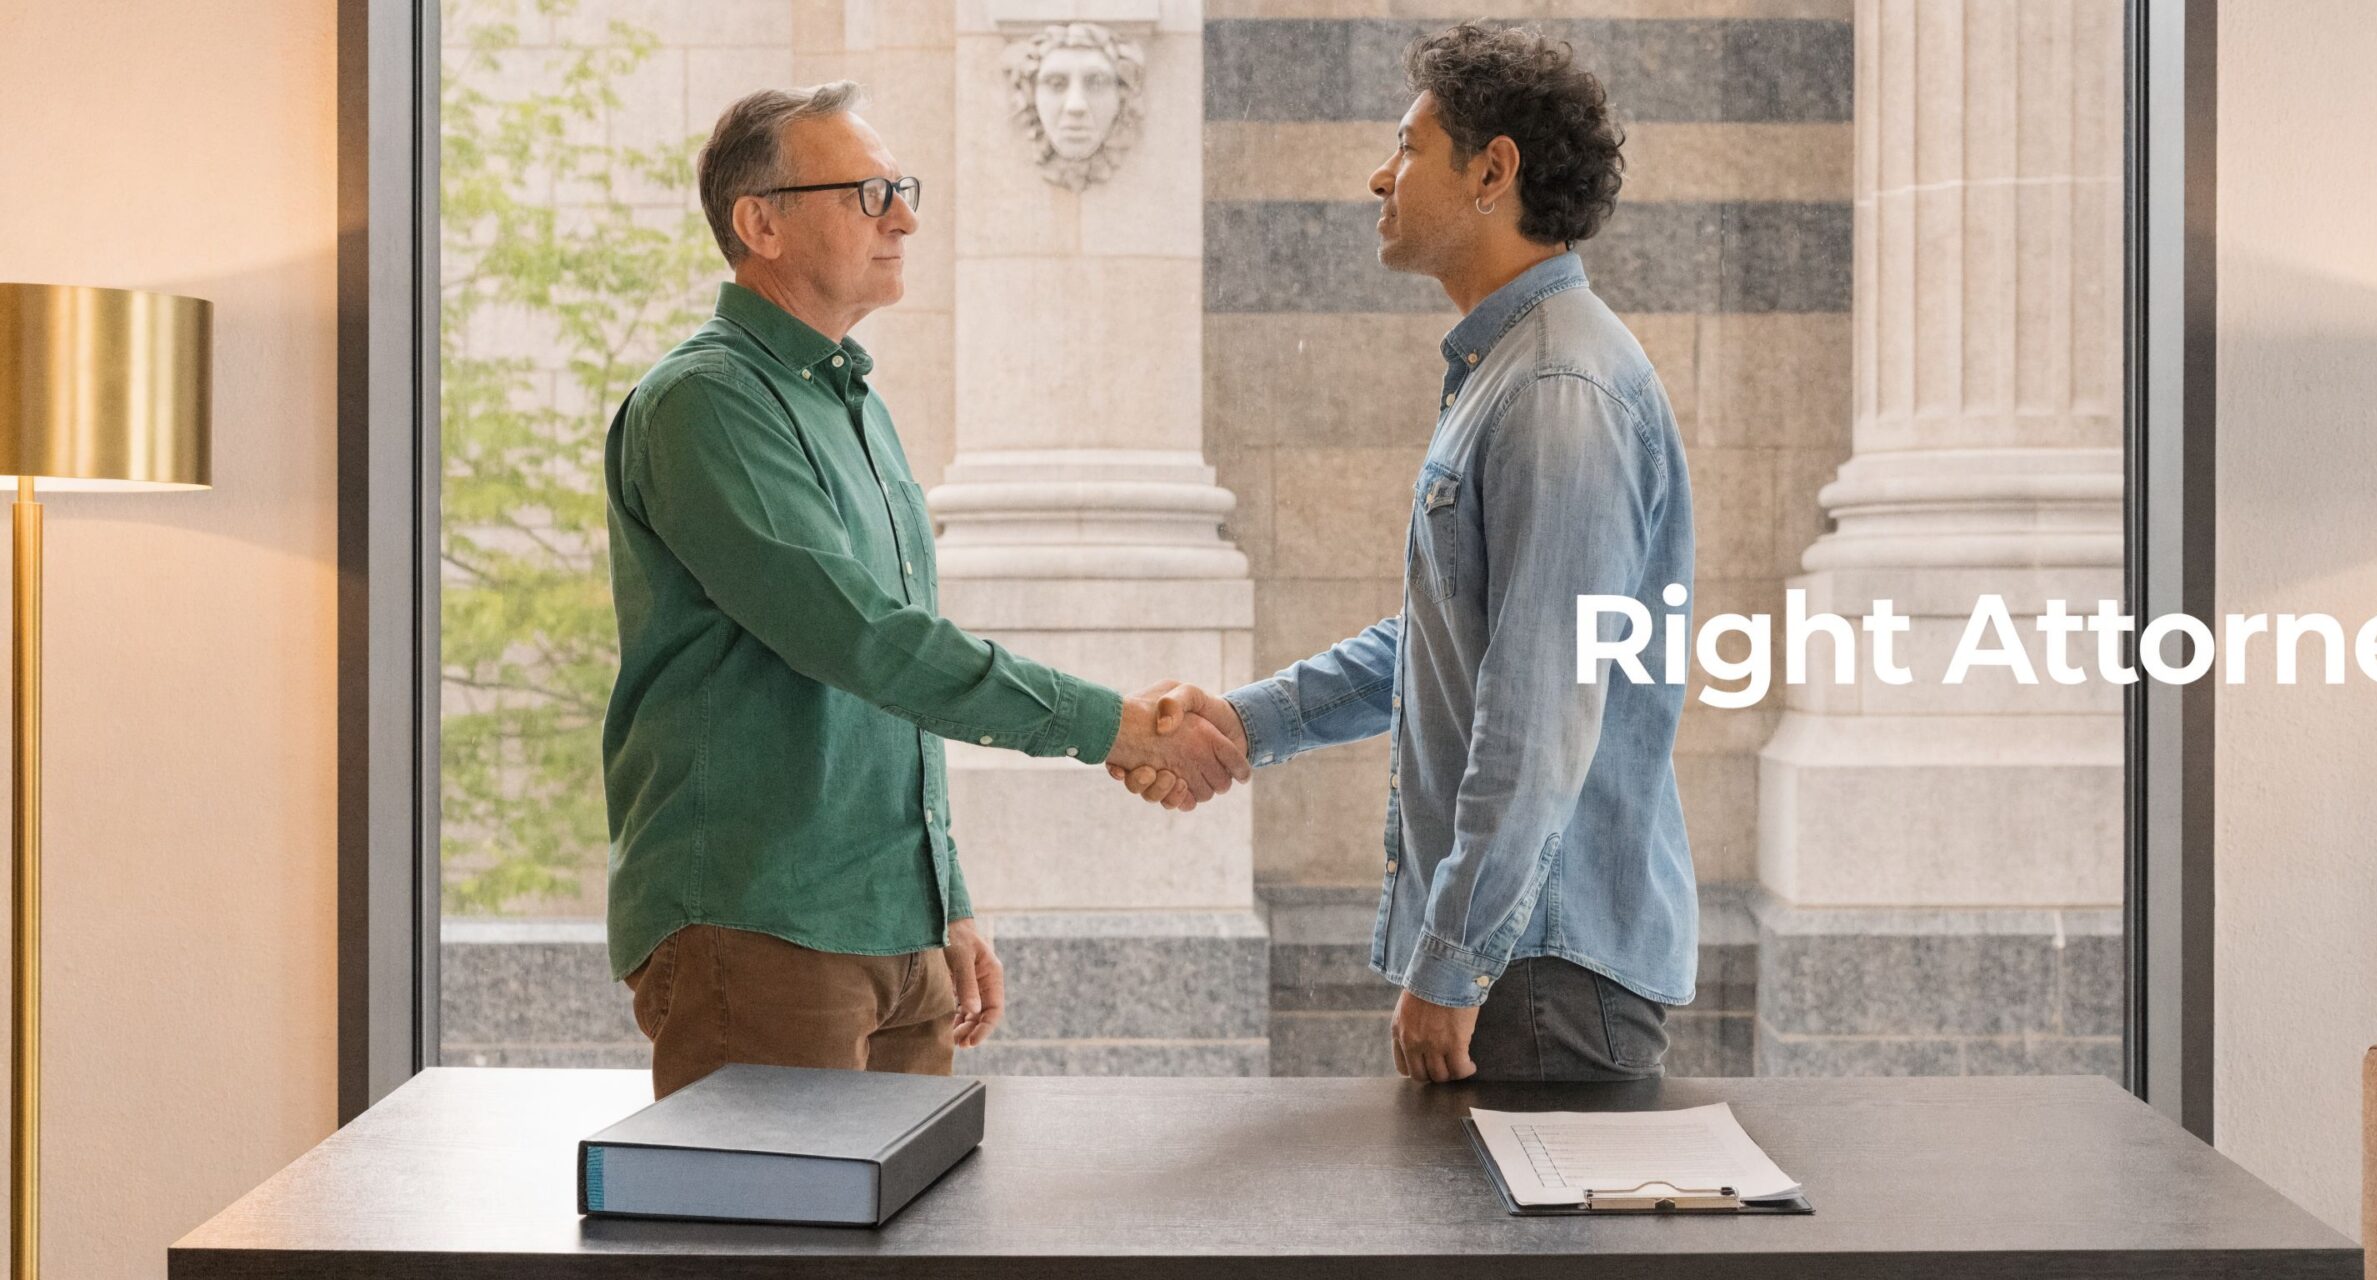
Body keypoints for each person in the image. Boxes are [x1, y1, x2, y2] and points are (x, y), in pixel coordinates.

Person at [601, 81, 1246, 1099]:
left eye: (900, 188)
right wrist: (1116, 727)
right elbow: (857, 637)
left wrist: (944, 898)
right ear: (757, 222)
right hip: (760, 923)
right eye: (865, 193)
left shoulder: (857, 406)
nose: (903, 216)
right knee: (769, 1255)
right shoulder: (705, 402)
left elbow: (897, 677)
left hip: (899, 935)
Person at [1117, 23, 1697, 1084]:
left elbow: (1535, 708)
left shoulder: (1557, 392)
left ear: (1492, 170)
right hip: (1522, 966)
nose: (1376, 175)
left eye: (1407, 147)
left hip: (1540, 977)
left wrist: (1453, 962)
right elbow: (1449, 641)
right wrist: (1248, 721)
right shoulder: (1511, 371)